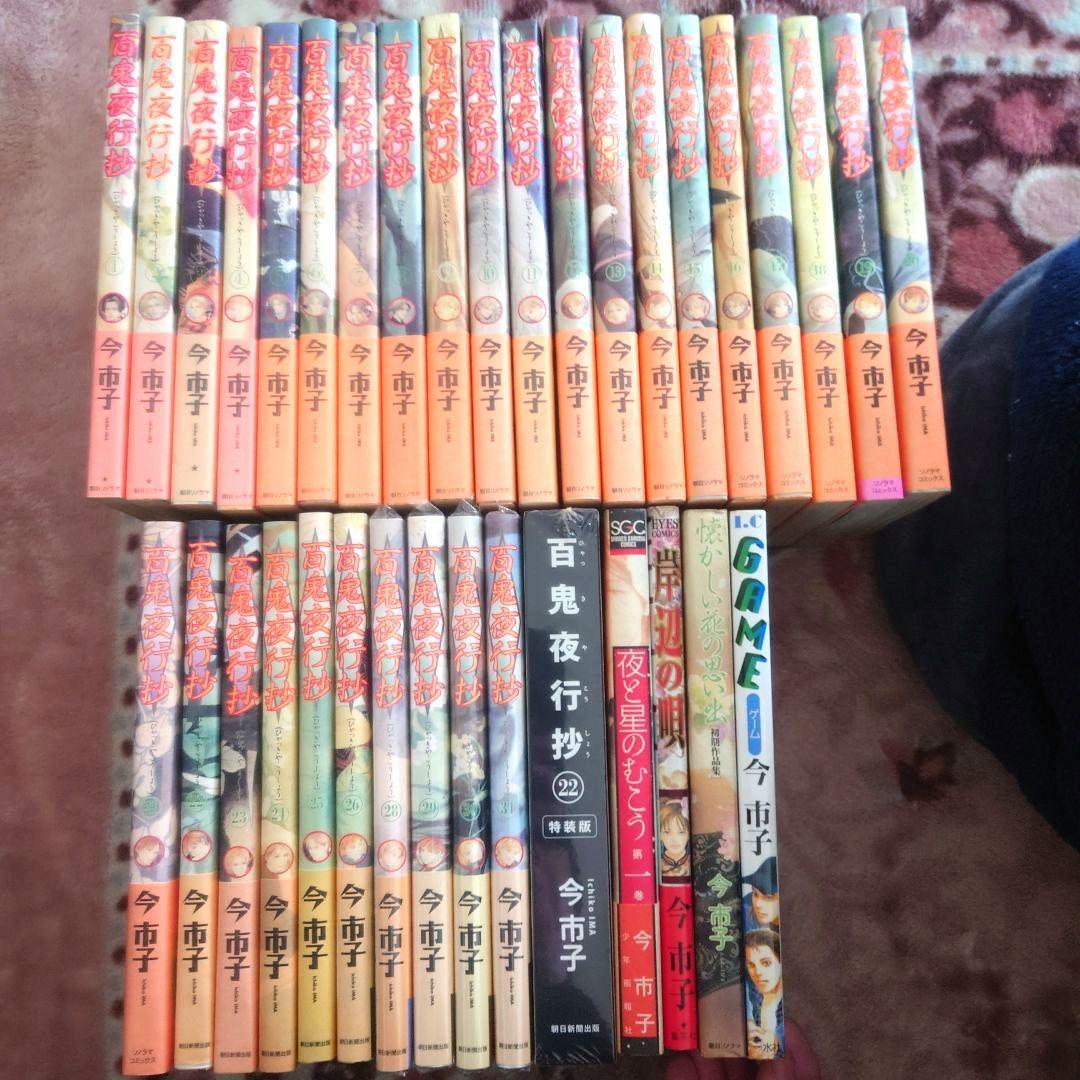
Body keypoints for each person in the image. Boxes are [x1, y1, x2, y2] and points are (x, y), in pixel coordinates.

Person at [745, 929, 783, 1060]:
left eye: (766, 963)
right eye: (751, 964)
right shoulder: (752, 989)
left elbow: (771, 1052)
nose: (758, 972)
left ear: (780, 961)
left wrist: (768, 1011)